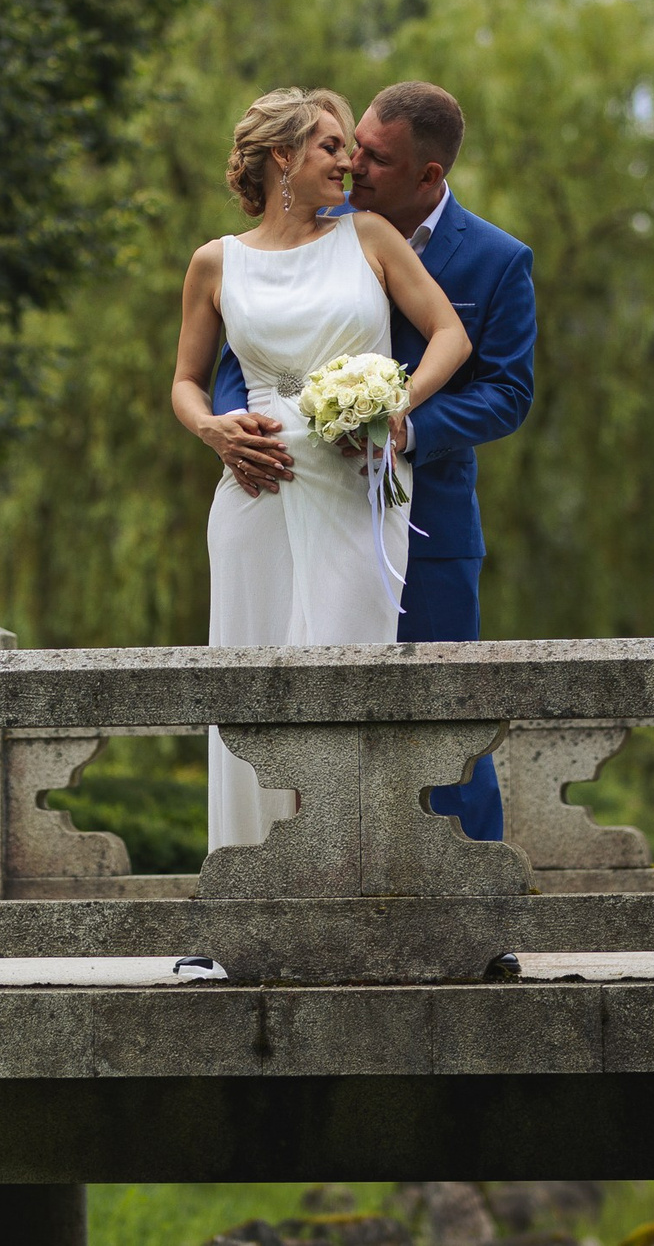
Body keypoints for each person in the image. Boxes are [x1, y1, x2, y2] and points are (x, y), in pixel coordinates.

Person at [208, 81, 536, 841]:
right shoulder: (314, 230)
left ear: (429, 176)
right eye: (348, 144)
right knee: (293, 697)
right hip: (302, 501)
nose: (352, 164)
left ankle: (472, 914)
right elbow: (251, 344)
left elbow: (507, 393)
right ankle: (297, 881)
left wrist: (402, 427)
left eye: (375, 157)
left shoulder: (495, 260)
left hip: (430, 522)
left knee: (444, 715)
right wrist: (243, 422)